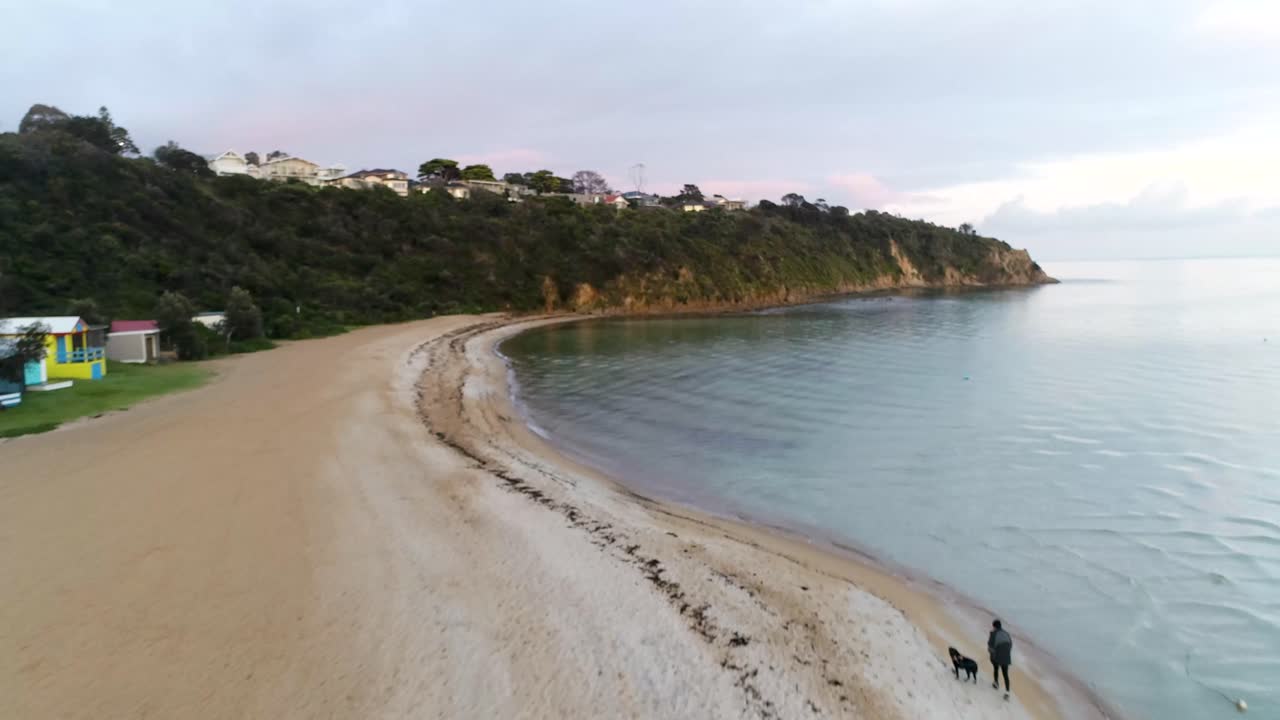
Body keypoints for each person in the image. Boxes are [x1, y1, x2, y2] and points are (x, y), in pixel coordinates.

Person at [988, 619, 1013, 698]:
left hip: (997, 656)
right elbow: (1010, 644)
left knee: (996, 668)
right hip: (1006, 656)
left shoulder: (993, 634)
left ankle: (996, 683)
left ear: (994, 626)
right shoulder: (1006, 633)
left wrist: (992, 653)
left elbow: (990, 647)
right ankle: (1007, 692)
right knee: (1005, 674)